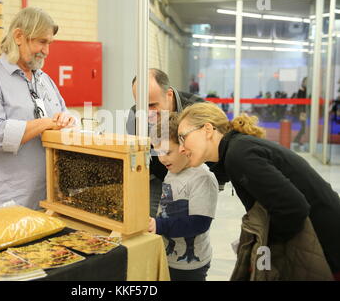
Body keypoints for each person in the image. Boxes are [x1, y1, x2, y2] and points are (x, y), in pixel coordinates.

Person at [177, 101, 340, 280]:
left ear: (208, 129)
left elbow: (293, 208)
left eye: (183, 137)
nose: (181, 148)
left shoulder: (239, 154)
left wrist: (263, 246)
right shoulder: (237, 149)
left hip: (326, 243)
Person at [0, 7, 75, 211]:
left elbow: (65, 115)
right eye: (41, 42)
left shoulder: (45, 80)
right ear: (18, 36)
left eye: (49, 43)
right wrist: (44, 123)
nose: (47, 51)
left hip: (47, 202)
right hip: (6, 204)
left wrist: (67, 120)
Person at [126, 68, 206, 217]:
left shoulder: (198, 110)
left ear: (169, 95)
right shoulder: (135, 116)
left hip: (195, 176)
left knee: (187, 228)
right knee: (150, 223)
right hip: (158, 177)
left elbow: (213, 152)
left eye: (152, 105)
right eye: (142, 106)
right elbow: (142, 158)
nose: (147, 112)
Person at [148, 113, 218, 281]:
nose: (162, 158)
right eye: (158, 152)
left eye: (167, 152)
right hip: (168, 257)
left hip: (190, 267)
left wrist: (159, 225)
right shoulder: (172, 171)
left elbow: (199, 223)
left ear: (184, 147)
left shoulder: (202, 178)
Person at [293, 77, 307, 148]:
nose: (306, 83)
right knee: (303, 127)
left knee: (304, 127)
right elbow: (300, 101)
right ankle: (297, 139)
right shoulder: (301, 90)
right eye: (305, 82)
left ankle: (297, 139)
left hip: (304, 111)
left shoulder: (307, 90)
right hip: (302, 111)